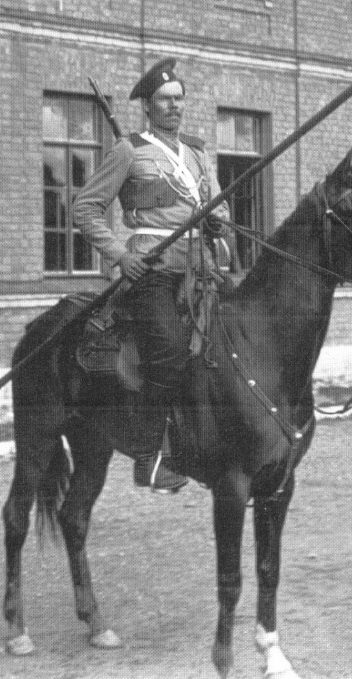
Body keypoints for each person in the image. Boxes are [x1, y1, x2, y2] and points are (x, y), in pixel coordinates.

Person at [73, 57, 230, 493]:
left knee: (242, 337)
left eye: (179, 99)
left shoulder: (197, 153)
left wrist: (217, 221)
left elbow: (220, 206)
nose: (173, 107)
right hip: (152, 268)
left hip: (201, 267)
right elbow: (84, 209)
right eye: (164, 100)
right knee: (172, 350)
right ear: (147, 106)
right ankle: (152, 457)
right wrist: (120, 255)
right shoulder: (129, 151)